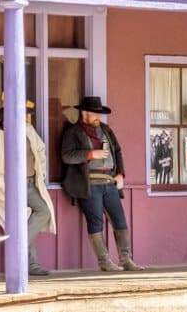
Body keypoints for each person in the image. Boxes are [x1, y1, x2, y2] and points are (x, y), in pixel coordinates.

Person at [61, 96, 144, 272]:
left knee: (120, 221)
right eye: (94, 113)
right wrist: (91, 154)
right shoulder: (72, 132)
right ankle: (104, 262)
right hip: (89, 183)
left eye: (99, 114)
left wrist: (120, 174)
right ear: (84, 113)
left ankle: (126, 260)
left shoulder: (106, 130)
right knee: (96, 223)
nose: (98, 117)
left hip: (110, 182)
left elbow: (118, 151)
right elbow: (67, 156)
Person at [0, 107, 56, 276]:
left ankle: (19, 246)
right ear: (5, 118)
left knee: (43, 211)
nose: (23, 117)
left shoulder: (28, 129)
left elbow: (40, 150)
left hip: (29, 182)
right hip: (9, 186)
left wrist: (41, 172)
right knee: (21, 221)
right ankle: (33, 265)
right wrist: (0, 182)